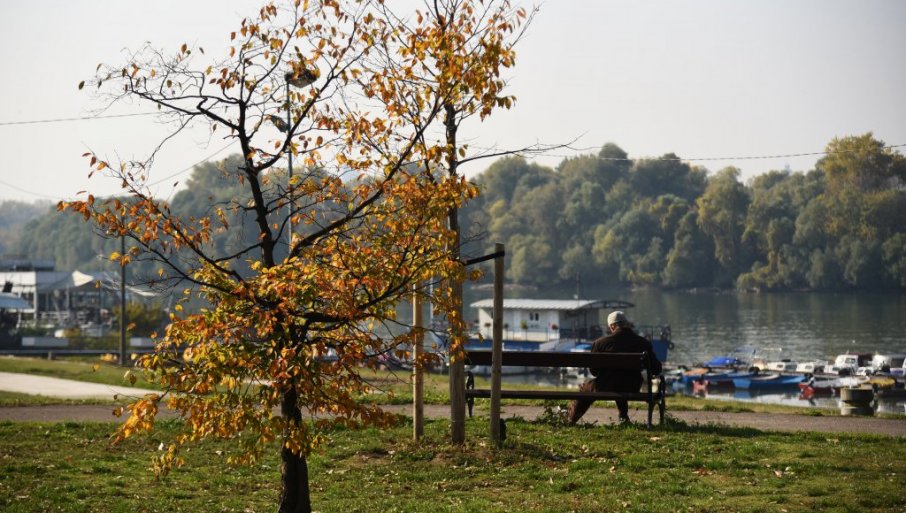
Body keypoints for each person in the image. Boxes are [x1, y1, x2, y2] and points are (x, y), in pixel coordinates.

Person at [567, 310, 662, 425]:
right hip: (632, 386)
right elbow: (656, 369)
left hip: (605, 386)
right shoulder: (643, 343)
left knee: (587, 387)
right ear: (626, 324)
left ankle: (571, 419)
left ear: (612, 326)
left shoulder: (600, 343)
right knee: (620, 380)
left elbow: (594, 371)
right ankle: (623, 417)